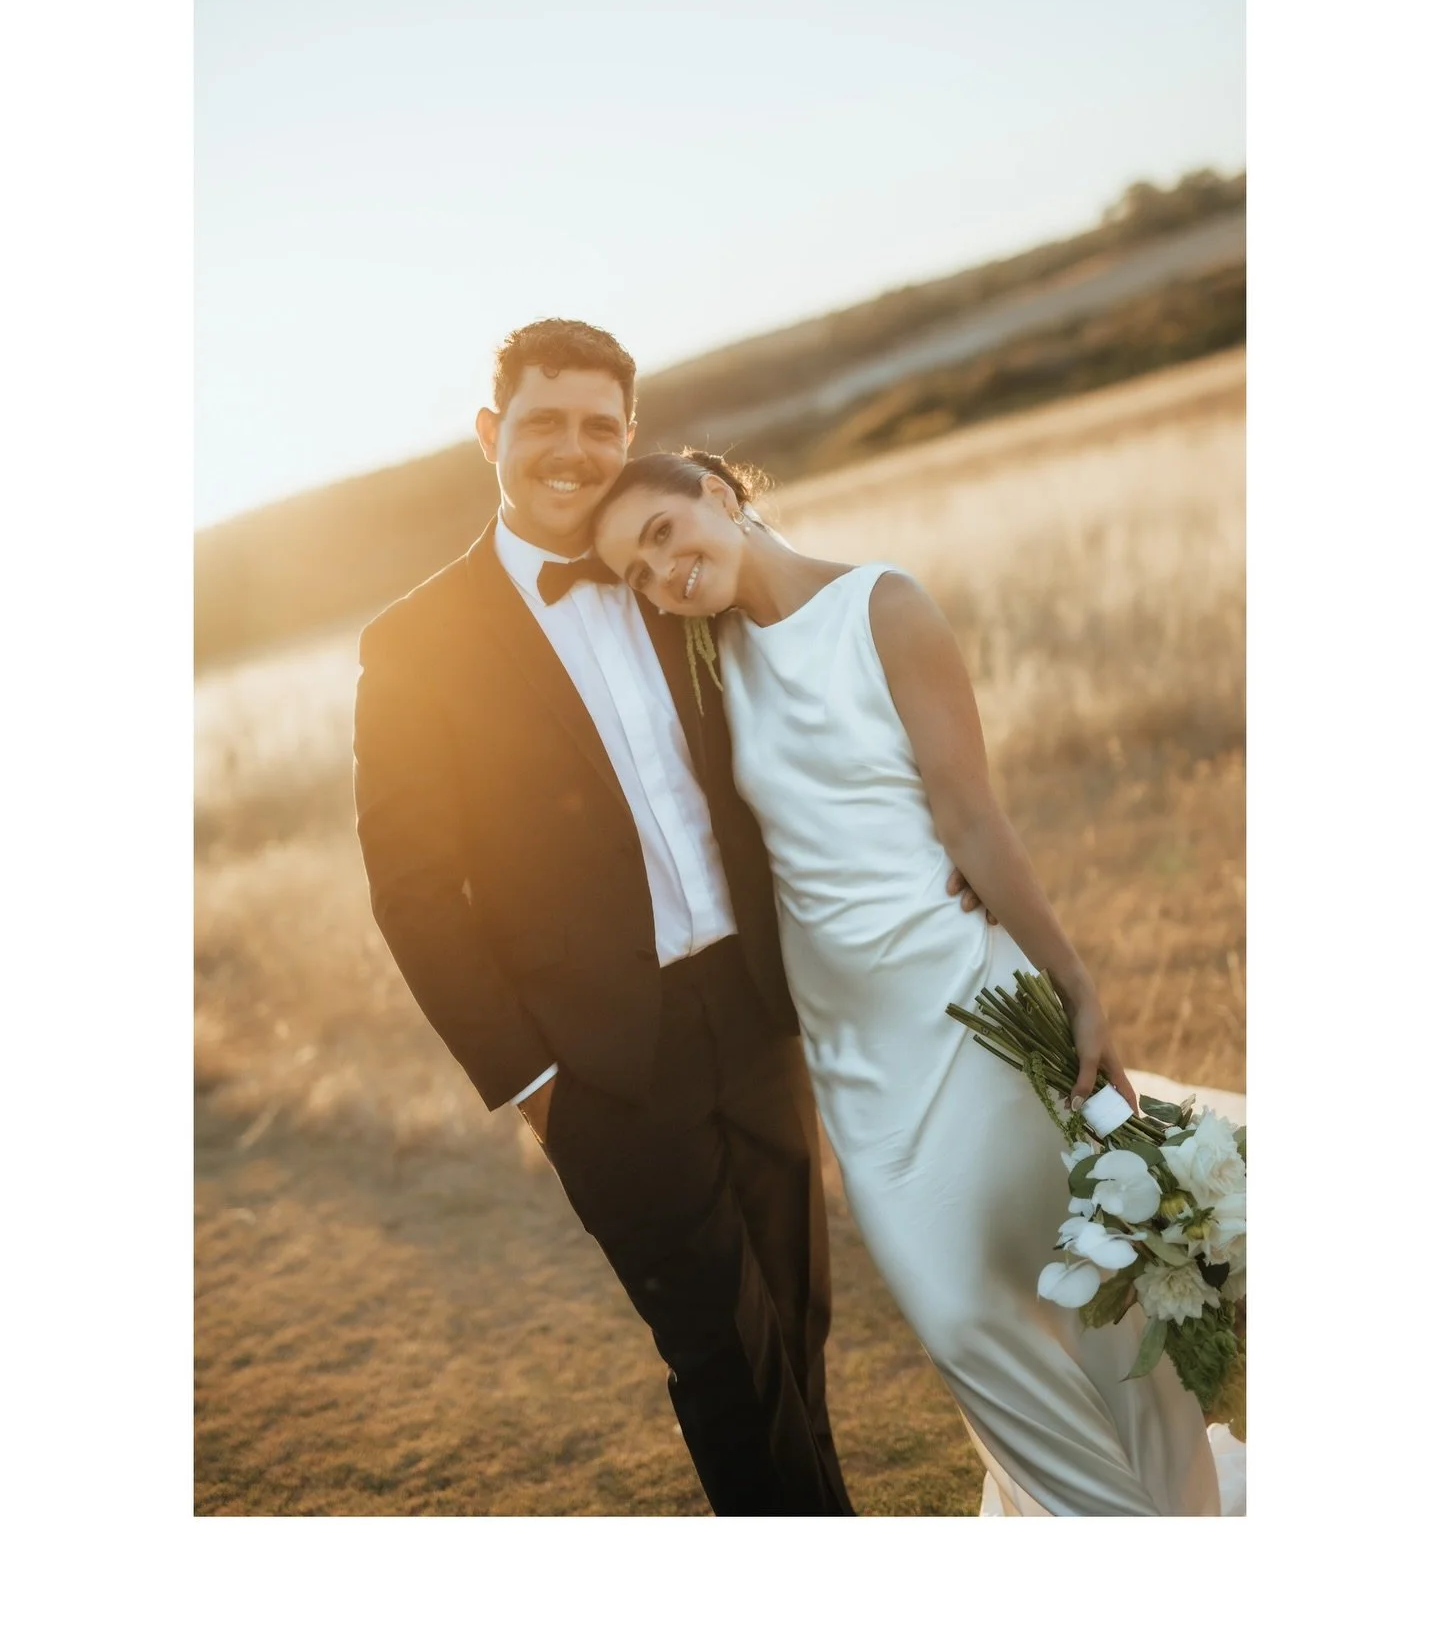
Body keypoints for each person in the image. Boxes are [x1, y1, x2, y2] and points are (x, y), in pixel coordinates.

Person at [352, 319, 989, 1516]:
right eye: (543, 422)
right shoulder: (413, 644)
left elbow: (821, 713)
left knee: (795, 1329)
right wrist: (535, 1083)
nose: (572, 449)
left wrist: (938, 848)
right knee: (724, 1357)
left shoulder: (675, 572)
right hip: (600, 1065)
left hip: (756, 1014)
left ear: (631, 436)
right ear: (490, 433)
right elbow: (414, 892)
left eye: (600, 426)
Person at [590, 448, 1225, 1516]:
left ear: (719, 496)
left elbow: (970, 815)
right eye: (637, 575)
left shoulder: (884, 606)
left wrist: (1076, 985)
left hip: (970, 1003)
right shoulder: (708, 661)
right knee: (960, 1320)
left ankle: (1176, 1526)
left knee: (1094, 1291)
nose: (662, 576)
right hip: (853, 1052)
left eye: (663, 534)